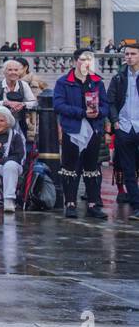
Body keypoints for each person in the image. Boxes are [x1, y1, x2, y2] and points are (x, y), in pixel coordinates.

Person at [54, 48, 110, 219]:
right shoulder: (64, 82)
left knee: (92, 167)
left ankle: (93, 204)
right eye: (83, 59)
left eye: (90, 59)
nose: (87, 62)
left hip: (93, 128)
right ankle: (70, 203)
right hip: (73, 127)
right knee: (70, 167)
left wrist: (98, 113)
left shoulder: (97, 82)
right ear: (75, 61)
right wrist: (82, 112)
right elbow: (59, 105)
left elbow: (105, 105)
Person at [107, 40, 139, 216]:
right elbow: (110, 101)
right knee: (128, 169)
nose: (129, 57)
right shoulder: (118, 77)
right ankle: (136, 206)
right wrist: (115, 120)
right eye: (127, 54)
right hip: (124, 127)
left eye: (133, 54)